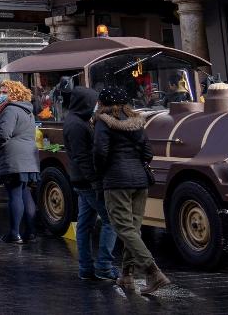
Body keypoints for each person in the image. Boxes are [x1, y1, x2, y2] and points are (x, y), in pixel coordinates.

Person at [95, 85, 169, 294]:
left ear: (103, 104)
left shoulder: (104, 122)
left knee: (124, 228)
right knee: (133, 229)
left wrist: (101, 172)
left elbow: (100, 152)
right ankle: (126, 276)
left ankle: (153, 272)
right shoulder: (137, 123)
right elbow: (148, 153)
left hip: (117, 181)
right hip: (139, 181)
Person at [65, 87, 119, 282]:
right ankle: (104, 265)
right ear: (85, 103)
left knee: (85, 223)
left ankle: (86, 267)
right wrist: (95, 181)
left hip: (81, 179)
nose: (96, 105)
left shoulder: (74, 120)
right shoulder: (77, 125)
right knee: (110, 220)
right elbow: (82, 156)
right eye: (93, 102)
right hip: (87, 181)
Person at [0, 79, 40, 244]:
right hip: (29, 158)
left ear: (13, 93)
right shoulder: (28, 110)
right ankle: (31, 233)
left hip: (13, 158)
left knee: (14, 194)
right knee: (25, 194)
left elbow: (4, 134)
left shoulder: (10, 110)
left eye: (5, 92)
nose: (1, 94)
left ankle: (14, 233)